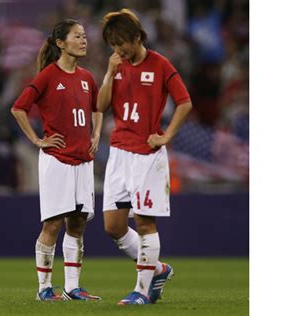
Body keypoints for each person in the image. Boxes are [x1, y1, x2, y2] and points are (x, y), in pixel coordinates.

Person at [98, 9, 192, 305]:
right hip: (119, 152)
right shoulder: (117, 66)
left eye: (121, 43)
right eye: (113, 45)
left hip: (147, 155)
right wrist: (110, 72)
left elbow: (184, 102)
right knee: (113, 227)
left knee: (144, 222)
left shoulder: (161, 64)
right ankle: (158, 268)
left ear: (136, 37)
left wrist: (166, 136)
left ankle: (141, 290)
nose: (118, 50)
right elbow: (100, 106)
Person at [11, 19, 103, 301]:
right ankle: (44, 289)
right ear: (61, 43)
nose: (84, 40)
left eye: (84, 36)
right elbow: (18, 108)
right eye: (77, 36)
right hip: (57, 160)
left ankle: (73, 287)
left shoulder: (87, 77)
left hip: (83, 159)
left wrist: (96, 134)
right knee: (52, 225)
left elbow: (98, 108)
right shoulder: (48, 76)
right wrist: (38, 140)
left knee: (77, 224)